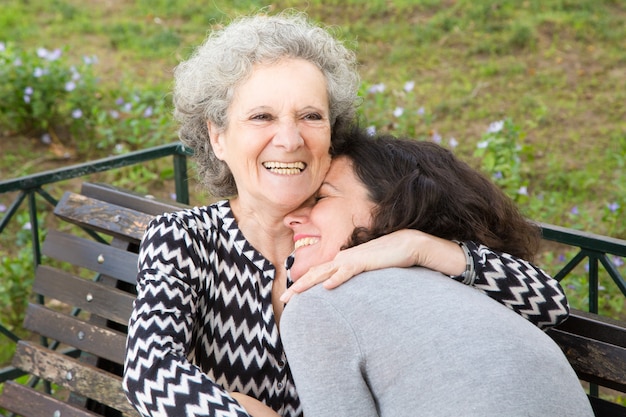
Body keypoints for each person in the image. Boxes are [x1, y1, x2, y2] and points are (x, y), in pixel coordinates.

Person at [122, 11, 569, 417]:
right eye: (261, 116)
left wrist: (419, 246)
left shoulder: (362, 225)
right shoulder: (186, 239)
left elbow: (549, 304)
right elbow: (149, 369)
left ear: (331, 132)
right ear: (218, 137)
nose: (289, 138)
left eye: (310, 116)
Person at [280, 129, 593, 417]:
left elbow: (550, 303)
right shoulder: (452, 286)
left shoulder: (321, 305)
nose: (292, 217)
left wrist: (420, 245)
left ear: (390, 206)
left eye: (320, 198)